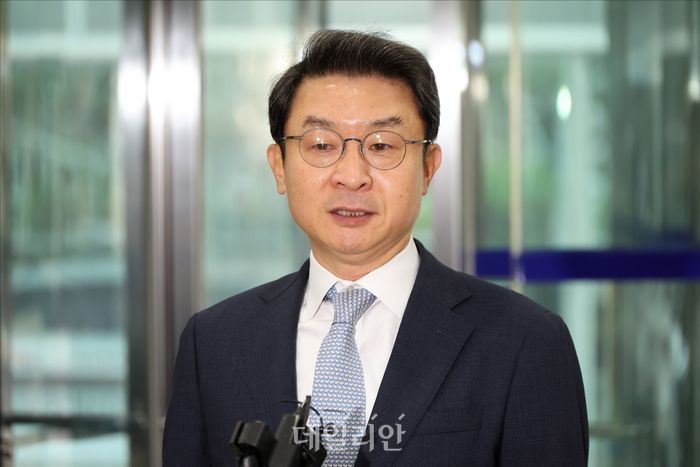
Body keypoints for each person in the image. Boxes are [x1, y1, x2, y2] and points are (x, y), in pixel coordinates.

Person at [163, 30, 588, 466]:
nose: (352, 176)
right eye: (322, 145)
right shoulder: (214, 343)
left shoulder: (523, 341)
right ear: (280, 168)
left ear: (428, 168)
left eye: (382, 145)